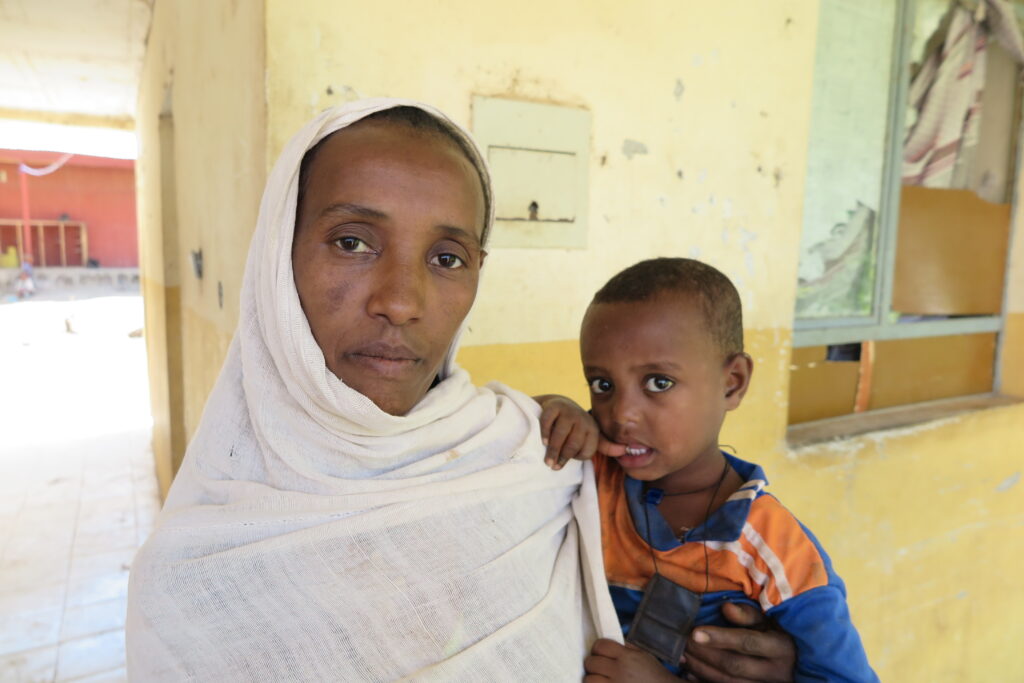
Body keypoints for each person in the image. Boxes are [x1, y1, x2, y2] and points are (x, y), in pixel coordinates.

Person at [127, 99, 795, 681]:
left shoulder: (528, 456)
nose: (400, 301)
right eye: (353, 242)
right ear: (278, 256)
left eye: (447, 258)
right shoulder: (192, 573)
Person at [544, 257, 877, 682]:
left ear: (732, 382)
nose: (621, 414)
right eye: (601, 385)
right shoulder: (591, 477)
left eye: (658, 382)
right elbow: (510, 441)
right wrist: (556, 408)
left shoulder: (774, 551)